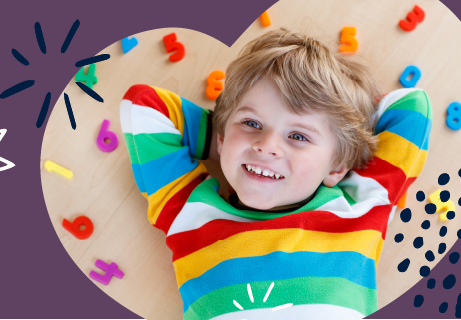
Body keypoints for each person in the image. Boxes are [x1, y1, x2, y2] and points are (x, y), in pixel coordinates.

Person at [119, 28, 432, 320]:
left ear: (337, 166)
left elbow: (412, 107)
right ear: (222, 135)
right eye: (252, 124)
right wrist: (229, 144)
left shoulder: (362, 208)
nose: (266, 146)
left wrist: (344, 120)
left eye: (298, 137)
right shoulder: (188, 214)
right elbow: (144, 105)